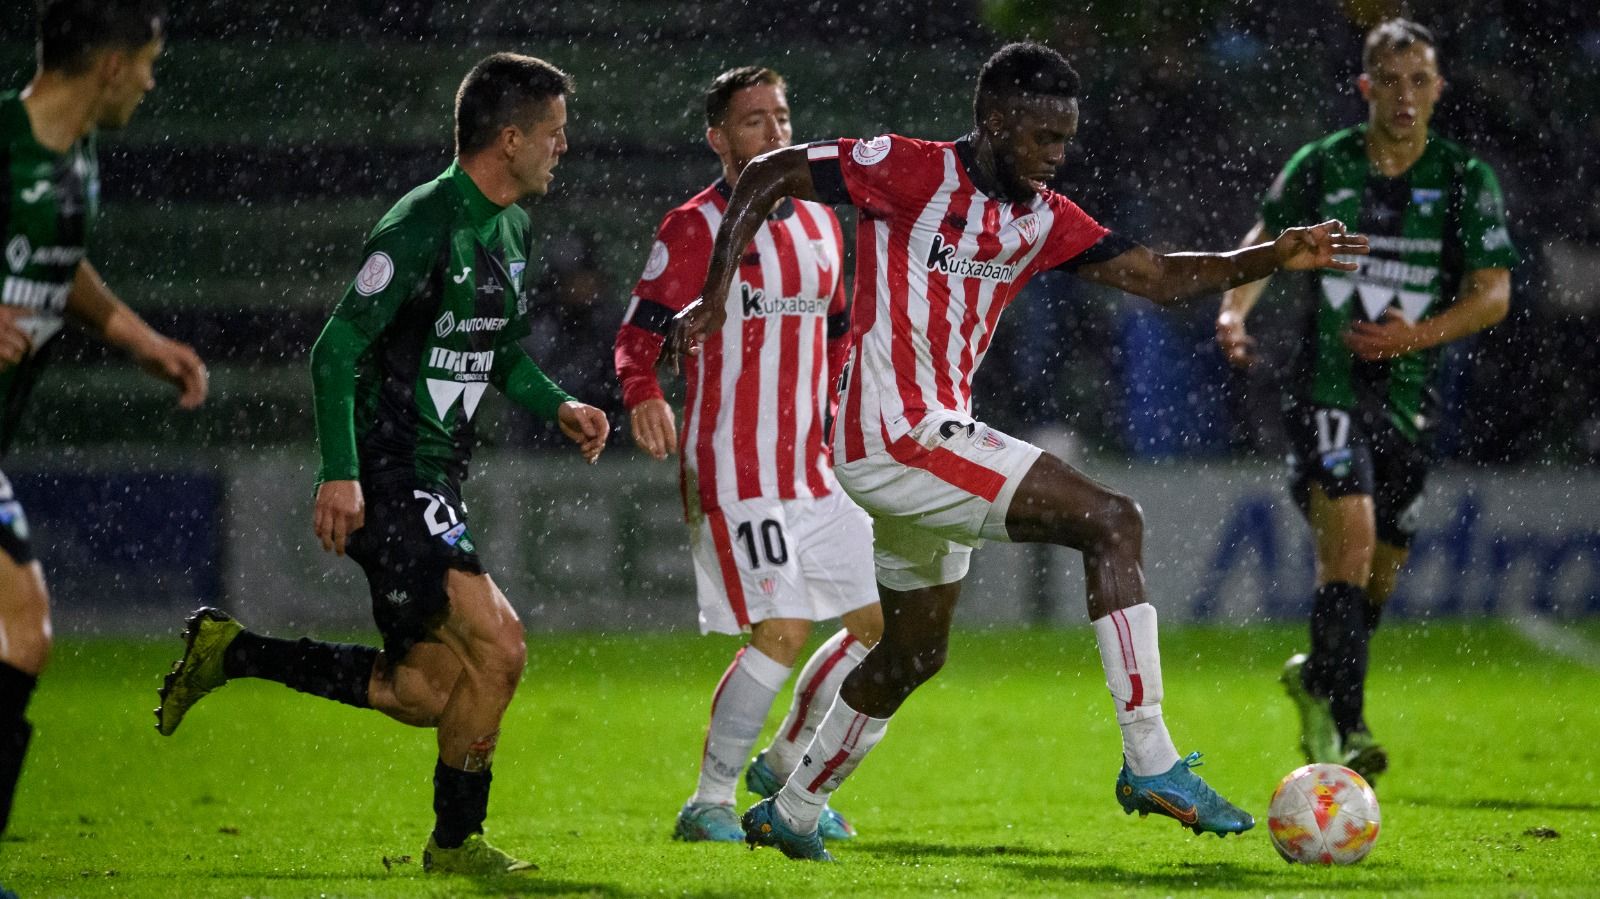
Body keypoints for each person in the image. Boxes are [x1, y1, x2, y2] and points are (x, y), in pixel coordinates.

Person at [675, 41, 1370, 861]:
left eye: (1066, 138)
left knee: (912, 653)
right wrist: (717, 290)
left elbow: (1157, 275)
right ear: (996, 122)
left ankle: (791, 811)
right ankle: (1149, 757)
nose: (1057, 154)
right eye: (1043, 136)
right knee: (1114, 520)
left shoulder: (1042, 215)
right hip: (892, 432)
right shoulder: (905, 169)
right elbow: (769, 172)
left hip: (922, 439)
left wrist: (1273, 255)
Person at [153, 52, 609, 875]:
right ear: (509, 139)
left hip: (438, 475)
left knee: (424, 691)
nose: (562, 148)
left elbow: (499, 352)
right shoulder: (422, 223)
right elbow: (335, 351)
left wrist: (558, 403)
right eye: (553, 133)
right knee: (501, 647)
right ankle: (455, 844)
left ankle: (235, 651)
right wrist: (341, 471)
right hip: (392, 470)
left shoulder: (512, 226)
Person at [1216, 19, 1516, 786]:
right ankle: (1349, 730)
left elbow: (1493, 295)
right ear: (1366, 87)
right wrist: (1234, 310)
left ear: (1439, 89)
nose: (1406, 96)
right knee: (1347, 544)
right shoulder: (1326, 163)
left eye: (1420, 81)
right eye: (1391, 79)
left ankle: (1319, 674)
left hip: (1411, 399)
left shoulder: (1463, 177)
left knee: (1378, 576)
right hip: (1327, 388)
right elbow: (1268, 237)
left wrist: (1415, 338)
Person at [614, 66, 883, 844]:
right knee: (783, 628)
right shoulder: (693, 226)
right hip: (735, 470)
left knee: (885, 629)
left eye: (782, 116)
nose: (775, 132)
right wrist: (643, 394)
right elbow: (637, 336)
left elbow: (836, 333)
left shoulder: (823, 224)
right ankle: (707, 802)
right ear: (718, 138)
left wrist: (836, 410)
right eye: (754, 120)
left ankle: (788, 769)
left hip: (812, 470)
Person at [0, 0, 208, 845]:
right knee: (23, 628)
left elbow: (54, 256)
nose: (153, 82)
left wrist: (137, 338)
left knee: (23, 634)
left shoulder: (76, 156)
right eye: (149, 63)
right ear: (113, 65)